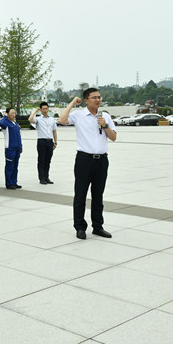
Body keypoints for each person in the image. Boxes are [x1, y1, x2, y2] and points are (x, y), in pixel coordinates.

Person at [59, 88, 117, 240]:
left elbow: (113, 137)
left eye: (99, 97)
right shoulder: (79, 115)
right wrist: (72, 103)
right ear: (86, 100)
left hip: (102, 160)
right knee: (80, 194)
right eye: (94, 97)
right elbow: (62, 120)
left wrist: (105, 126)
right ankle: (79, 227)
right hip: (84, 160)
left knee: (98, 195)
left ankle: (98, 226)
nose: (98, 100)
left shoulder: (105, 116)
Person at [30, 102, 58, 184]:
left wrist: (55, 142)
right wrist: (35, 111)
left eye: (46, 108)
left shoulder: (52, 119)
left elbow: (54, 131)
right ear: (41, 110)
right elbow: (30, 119)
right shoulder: (38, 119)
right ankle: (41, 178)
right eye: (43, 109)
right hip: (42, 141)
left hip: (50, 142)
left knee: (48, 160)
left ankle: (46, 177)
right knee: (41, 160)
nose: (45, 110)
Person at [0, 108, 23, 190]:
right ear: (7, 114)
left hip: (17, 148)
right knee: (10, 166)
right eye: (12, 113)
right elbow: (1, 123)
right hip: (10, 148)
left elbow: (19, 136)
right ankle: (9, 183)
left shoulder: (15, 124)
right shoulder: (5, 123)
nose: (14, 115)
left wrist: (20, 146)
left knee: (15, 166)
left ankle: (14, 182)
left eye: (14, 113)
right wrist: (5, 116)